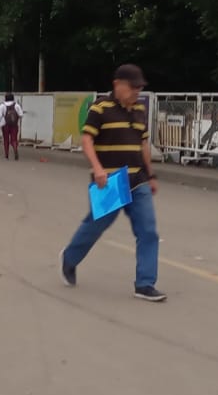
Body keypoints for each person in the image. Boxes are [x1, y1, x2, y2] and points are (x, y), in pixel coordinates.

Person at [59, 64, 166, 302]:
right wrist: (97, 169)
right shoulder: (100, 108)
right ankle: (70, 258)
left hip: (138, 181)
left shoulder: (139, 110)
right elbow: (87, 139)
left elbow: (143, 145)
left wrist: (151, 175)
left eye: (140, 87)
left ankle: (145, 284)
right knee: (96, 226)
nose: (137, 91)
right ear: (118, 84)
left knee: (148, 230)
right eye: (133, 87)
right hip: (110, 181)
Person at [0, 93, 24, 160]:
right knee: (14, 139)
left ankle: (6, 155)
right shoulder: (16, 105)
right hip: (14, 125)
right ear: (13, 98)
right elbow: (21, 115)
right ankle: (15, 148)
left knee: (6, 140)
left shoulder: (2, 105)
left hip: (5, 125)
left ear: (5, 98)